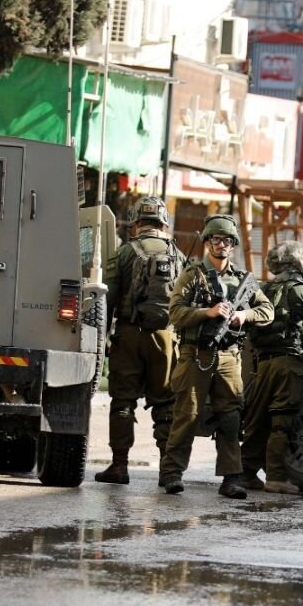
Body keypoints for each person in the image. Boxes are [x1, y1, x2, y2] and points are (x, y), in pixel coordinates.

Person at [157, 215, 274, 497]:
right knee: (186, 414)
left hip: (228, 358)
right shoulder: (192, 274)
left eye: (227, 241)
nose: (221, 245)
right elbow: (175, 313)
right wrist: (206, 313)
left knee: (230, 418)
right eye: (216, 239)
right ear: (207, 242)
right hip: (195, 354)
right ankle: (172, 473)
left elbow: (267, 310)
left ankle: (231, 478)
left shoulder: (242, 280)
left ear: (233, 245)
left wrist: (243, 315)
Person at [96, 196, 182, 485]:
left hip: (130, 335)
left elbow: (107, 299)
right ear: (163, 223)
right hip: (166, 337)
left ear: (136, 223)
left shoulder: (124, 252)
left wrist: (103, 339)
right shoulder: (178, 254)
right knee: (166, 404)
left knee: (122, 401)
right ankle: (168, 472)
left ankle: (119, 467)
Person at [242, 240, 303, 495]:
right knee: (281, 420)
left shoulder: (264, 289)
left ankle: (245, 473)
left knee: (256, 421)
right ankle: (276, 478)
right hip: (289, 363)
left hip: (263, 363)